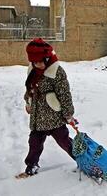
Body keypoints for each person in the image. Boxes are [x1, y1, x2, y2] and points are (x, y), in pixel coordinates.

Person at [23, 38, 76, 176]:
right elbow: (29, 89)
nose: (38, 64)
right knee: (34, 142)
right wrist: (28, 102)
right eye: (35, 62)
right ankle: (32, 164)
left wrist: (68, 114)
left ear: (47, 59)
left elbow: (64, 94)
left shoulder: (57, 71)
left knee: (65, 141)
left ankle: (82, 159)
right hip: (38, 117)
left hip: (54, 117)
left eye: (41, 61)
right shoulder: (32, 70)